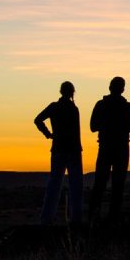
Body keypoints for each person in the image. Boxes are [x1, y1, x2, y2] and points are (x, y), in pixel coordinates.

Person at [88, 76, 130, 225]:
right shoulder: (127, 107)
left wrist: (106, 125)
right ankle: (112, 219)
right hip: (121, 149)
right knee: (118, 185)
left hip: (105, 147)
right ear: (122, 89)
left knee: (100, 183)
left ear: (110, 87)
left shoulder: (101, 105)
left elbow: (92, 126)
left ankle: (94, 217)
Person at [34, 81, 84, 225]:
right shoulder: (74, 109)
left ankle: (46, 219)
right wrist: (48, 134)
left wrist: (49, 134)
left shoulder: (54, 107)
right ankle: (76, 220)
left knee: (54, 185)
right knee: (76, 186)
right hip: (73, 150)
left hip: (58, 149)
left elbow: (37, 120)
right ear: (72, 92)